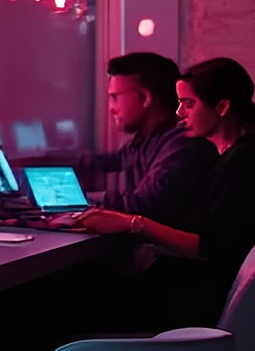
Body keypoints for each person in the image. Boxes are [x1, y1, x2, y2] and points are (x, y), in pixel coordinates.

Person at [69, 57, 255, 325]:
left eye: (189, 104)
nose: (179, 112)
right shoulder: (239, 157)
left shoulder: (246, 165)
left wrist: (132, 224)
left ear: (222, 107)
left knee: (68, 302)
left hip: (200, 298)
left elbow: (209, 249)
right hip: (200, 286)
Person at [75, 51, 215, 226]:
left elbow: (144, 205)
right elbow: (110, 161)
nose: (111, 108)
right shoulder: (143, 141)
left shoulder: (182, 144)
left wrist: (82, 201)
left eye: (115, 97)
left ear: (145, 98)